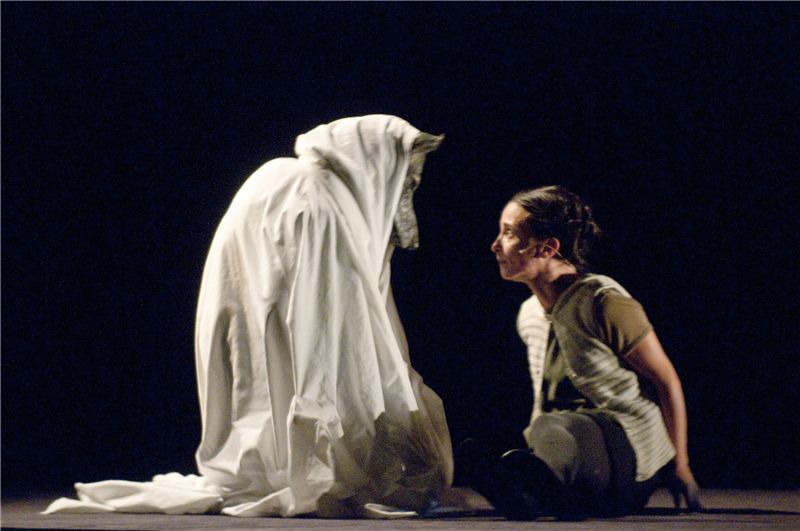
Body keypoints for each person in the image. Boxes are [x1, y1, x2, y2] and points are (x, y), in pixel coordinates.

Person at [44, 115, 453, 518]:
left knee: (265, 387)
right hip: (274, 319)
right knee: (299, 399)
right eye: (404, 180)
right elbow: (328, 319)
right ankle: (293, 467)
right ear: (375, 164)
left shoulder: (291, 179)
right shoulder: (313, 195)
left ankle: (275, 464)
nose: (404, 193)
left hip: (256, 321)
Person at [458, 185, 701, 520]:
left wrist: (681, 465)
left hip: (626, 453)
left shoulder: (602, 301)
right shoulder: (529, 315)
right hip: (566, 452)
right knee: (544, 430)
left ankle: (535, 488)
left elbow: (666, 381)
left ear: (547, 247)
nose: (496, 245)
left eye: (510, 233)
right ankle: (544, 493)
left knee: (559, 427)